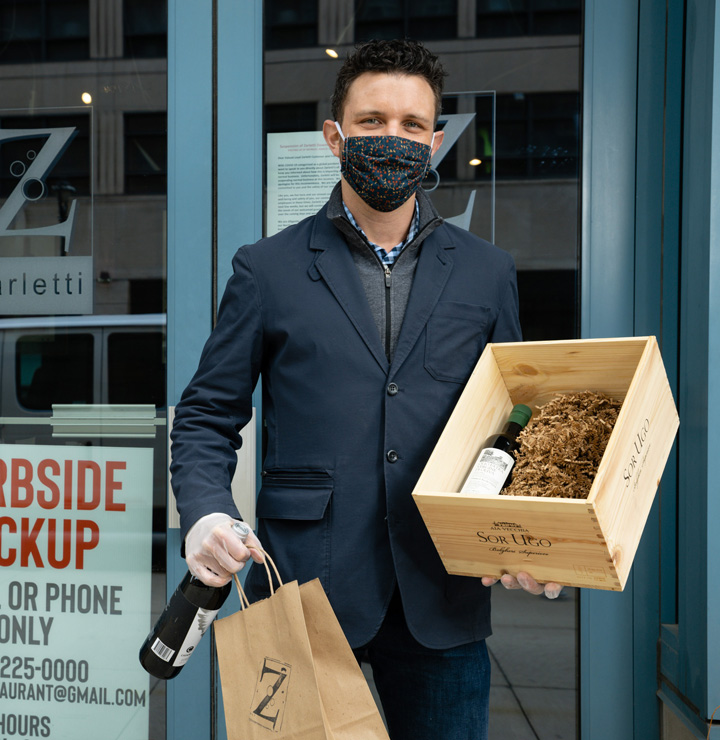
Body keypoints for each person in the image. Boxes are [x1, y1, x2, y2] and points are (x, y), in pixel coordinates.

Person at [169, 38, 561, 740]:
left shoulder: (486, 272)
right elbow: (205, 414)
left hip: (443, 590)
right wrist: (203, 512)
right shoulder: (268, 269)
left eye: (413, 126)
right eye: (372, 120)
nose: (394, 138)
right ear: (334, 135)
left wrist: (532, 539)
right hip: (303, 587)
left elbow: (515, 417)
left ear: (436, 141)